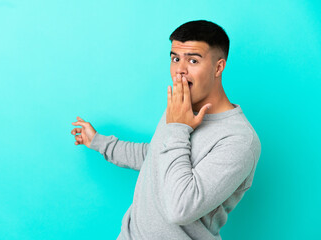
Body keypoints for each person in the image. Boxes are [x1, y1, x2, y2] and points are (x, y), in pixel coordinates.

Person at [71, 20, 261, 240]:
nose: (180, 70)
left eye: (193, 60)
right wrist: (99, 142)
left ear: (218, 67)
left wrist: (179, 127)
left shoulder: (240, 140)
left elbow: (180, 208)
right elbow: (155, 157)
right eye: (175, 58)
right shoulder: (181, 106)